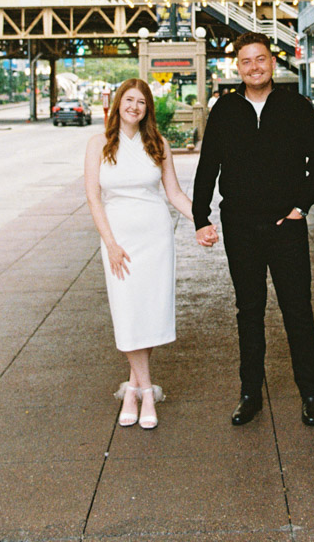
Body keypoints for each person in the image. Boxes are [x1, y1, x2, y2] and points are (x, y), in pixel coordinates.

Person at [193, 32, 314, 428]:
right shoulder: (224, 110)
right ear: (237, 67)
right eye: (246, 61)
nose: (254, 67)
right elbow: (208, 167)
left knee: (298, 309)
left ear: (273, 62)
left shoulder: (296, 106)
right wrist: (201, 216)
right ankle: (250, 394)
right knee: (248, 311)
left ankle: (310, 394)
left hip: (285, 227)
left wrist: (300, 206)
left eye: (261, 59)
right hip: (240, 227)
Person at [84, 78, 194, 429]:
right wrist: (111, 244)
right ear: (118, 104)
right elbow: (93, 197)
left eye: (141, 102)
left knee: (149, 311)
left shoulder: (158, 144)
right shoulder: (97, 144)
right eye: (128, 100)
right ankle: (148, 391)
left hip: (156, 237)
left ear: (148, 109)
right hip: (119, 240)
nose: (134, 106)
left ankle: (133, 389)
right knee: (128, 311)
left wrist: (204, 221)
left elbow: (174, 194)